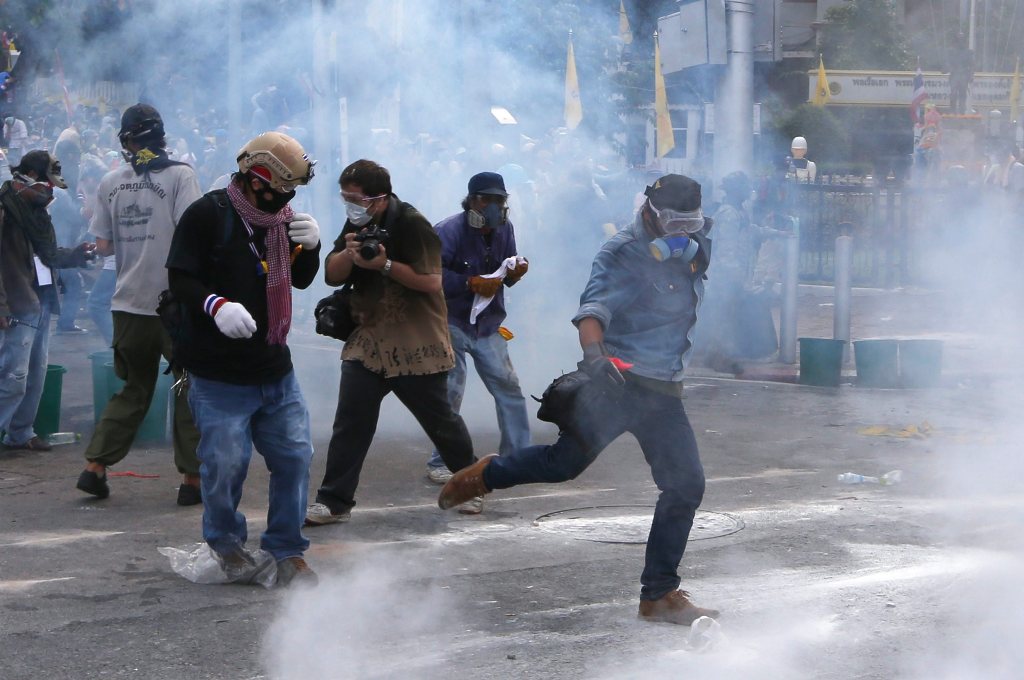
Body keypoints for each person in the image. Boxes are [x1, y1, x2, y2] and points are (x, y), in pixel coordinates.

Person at [438, 174, 720, 626]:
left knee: (686, 485)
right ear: (649, 210)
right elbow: (592, 310)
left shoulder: (693, 240)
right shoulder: (623, 252)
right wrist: (595, 357)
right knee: (562, 465)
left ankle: (659, 594)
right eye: (673, 222)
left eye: (690, 222)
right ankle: (488, 473)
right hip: (620, 383)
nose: (681, 232)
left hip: (664, 390)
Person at [166, 131, 321, 587]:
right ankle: (226, 542)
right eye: (281, 188)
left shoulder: (282, 221)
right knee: (225, 462)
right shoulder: (208, 214)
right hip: (218, 374)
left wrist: (310, 247)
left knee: (294, 457)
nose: (286, 198)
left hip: (274, 367)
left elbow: (302, 281)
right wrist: (216, 304)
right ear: (257, 179)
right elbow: (181, 277)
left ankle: (286, 550)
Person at [305, 159, 481, 525]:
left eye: (356, 199)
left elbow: (431, 282)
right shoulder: (357, 223)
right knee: (351, 422)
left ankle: (473, 484)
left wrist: (383, 266)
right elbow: (331, 275)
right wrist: (348, 253)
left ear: (380, 198)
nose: (350, 206)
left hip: (414, 341)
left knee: (440, 422)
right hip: (368, 340)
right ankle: (334, 501)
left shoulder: (413, 225)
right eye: (345, 198)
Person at [76, 103, 203, 505]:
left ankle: (95, 467)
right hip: (173, 307)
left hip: (127, 306)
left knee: (134, 388)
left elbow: (103, 245)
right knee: (187, 386)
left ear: (126, 140)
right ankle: (191, 481)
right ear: (161, 136)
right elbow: (193, 231)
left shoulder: (111, 182)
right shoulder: (181, 175)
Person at [424, 171, 531, 485]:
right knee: (450, 393)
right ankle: (440, 461)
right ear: (472, 200)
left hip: (488, 324)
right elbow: (430, 277)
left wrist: (515, 273)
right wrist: (468, 283)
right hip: (450, 322)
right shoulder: (447, 231)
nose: (494, 206)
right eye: (487, 199)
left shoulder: (505, 229)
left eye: (499, 199)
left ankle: (517, 458)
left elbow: (505, 269)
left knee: (509, 389)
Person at [0, 150, 95, 451]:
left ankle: (21, 433)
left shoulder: (37, 215)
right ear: (25, 178)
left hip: (39, 302)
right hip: (16, 304)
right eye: (46, 184)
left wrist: (77, 255)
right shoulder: (5, 212)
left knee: (35, 375)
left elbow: (49, 255)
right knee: (12, 376)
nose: (51, 190)